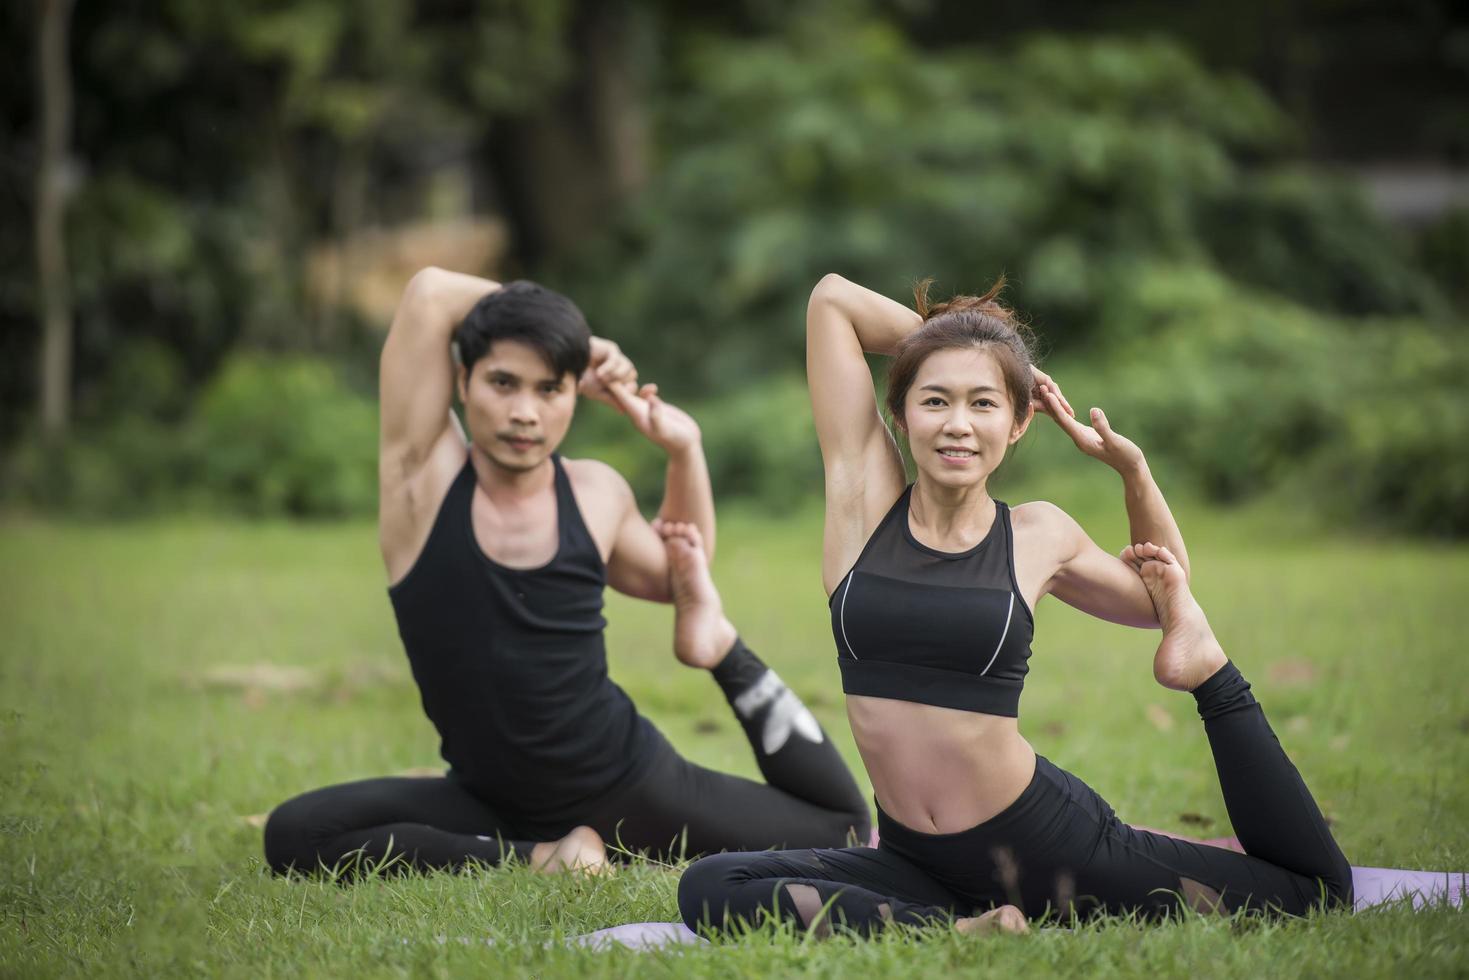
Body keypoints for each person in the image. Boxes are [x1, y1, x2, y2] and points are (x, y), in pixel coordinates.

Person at [677, 274, 1352, 936]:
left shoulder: (1035, 535)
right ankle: (956, 929)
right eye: (934, 401)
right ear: (901, 413)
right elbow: (830, 299)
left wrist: (1131, 471)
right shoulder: (862, 507)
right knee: (708, 885)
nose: (957, 425)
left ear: (1019, 420)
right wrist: (965, 347)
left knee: (1314, 894)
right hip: (913, 859)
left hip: (1044, 844)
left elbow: (1160, 596)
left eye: (984, 403)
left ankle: (1210, 671)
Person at [263, 268, 868, 877]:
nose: (525, 412)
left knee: (841, 827)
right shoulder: (423, 482)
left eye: (549, 389)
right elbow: (428, 294)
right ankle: (543, 857)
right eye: (504, 383)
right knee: (296, 832)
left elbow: (676, 575)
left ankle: (720, 648)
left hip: (628, 785)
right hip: (486, 799)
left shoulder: (594, 493)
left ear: (574, 394)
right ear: (462, 381)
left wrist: (683, 452)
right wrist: (587, 337)